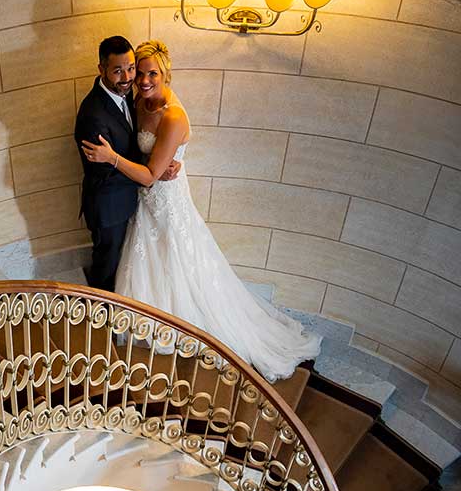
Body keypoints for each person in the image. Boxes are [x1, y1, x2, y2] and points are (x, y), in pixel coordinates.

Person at [81, 39, 321, 382]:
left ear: (166, 74)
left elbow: (149, 177)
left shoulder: (174, 116)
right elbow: (145, 158)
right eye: (138, 73)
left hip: (166, 200)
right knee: (147, 259)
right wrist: (151, 163)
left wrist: (117, 159)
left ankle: (191, 323)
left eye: (152, 73)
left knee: (181, 262)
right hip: (145, 203)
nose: (143, 80)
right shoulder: (138, 102)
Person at [74, 36, 179, 291]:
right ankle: (100, 320)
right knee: (106, 269)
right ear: (102, 70)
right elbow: (105, 173)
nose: (128, 77)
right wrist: (150, 174)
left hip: (130, 201)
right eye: (118, 70)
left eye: (131, 68)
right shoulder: (93, 116)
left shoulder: (128, 93)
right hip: (109, 207)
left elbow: (133, 145)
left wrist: (162, 160)